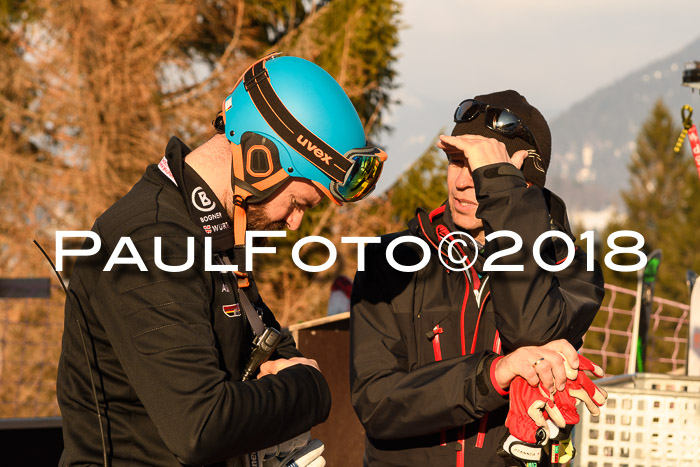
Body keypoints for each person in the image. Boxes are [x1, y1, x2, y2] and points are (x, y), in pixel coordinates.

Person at [56, 54, 387, 466]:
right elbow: (202, 426)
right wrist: (313, 389)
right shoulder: (152, 240)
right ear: (261, 157)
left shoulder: (214, 236)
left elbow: (270, 344)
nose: (296, 221)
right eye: (299, 201)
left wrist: (282, 376)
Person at [349, 90, 605, 466]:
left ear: (523, 183)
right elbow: (378, 404)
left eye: (482, 170)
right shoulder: (390, 261)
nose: (463, 182)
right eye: (455, 162)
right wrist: (494, 374)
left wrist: (503, 194)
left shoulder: (573, 271)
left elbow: (530, 330)